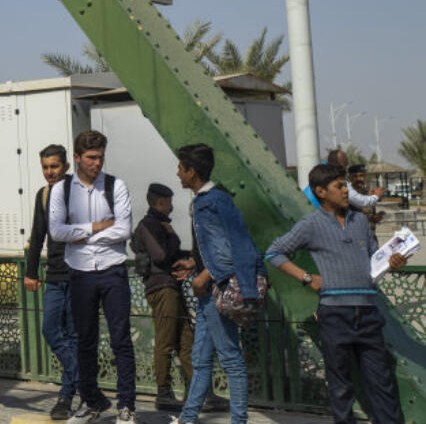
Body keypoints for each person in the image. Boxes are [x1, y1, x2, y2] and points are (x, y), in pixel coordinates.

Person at [265, 163, 405, 424]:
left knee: (381, 384)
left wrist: (395, 262)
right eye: (340, 186)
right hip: (335, 315)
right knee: (341, 388)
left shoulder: (361, 221)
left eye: (346, 186)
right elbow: (274, 253)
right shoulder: (311, 224)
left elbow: (375, 260)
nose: (346, 191)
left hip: (367, 313)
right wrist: (306, 278)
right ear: (320, 192)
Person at [172, 143, 266, 424]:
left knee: (230, 358)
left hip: (217, 289)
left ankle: (238, 420)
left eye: (180, 168)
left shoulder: (211, 201)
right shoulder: (209, 200)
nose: (177, 174)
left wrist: (204, 275)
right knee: (200, 359)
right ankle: (188, 418)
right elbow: (214, 245)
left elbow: (228, 248)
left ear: (192, 171)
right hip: (210, 288)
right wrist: (194, 264)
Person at [47, 130, 136, 424]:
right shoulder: (61, 190)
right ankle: (90, 401)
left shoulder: (115, 186)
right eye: (91, 158)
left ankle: (126, 406)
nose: (97, 163)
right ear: (77, 158)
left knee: (120, 339)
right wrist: (96, 227)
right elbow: (57, 232)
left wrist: (82, 236)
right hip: (81, 273)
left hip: (113, 270)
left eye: (100, 157)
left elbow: (123, 230)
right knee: (85, 340)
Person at [23, 144, 78, 420]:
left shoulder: (78, 191)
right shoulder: (42, 195)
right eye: (45, 167)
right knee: (50, 330)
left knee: (73, 335)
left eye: (54, 166)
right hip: (54, 275)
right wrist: (30, 272)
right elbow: (37, 235)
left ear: (66, 166)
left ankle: (66, 398)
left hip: (79, 275)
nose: (49, 172)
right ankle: (83, 379)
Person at [131, 183, 195, 411]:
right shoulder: (149, 225)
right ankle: (163, 393)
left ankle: (199, 391)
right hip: (162, 288)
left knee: (186, 340)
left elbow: (172, 254)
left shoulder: (160, 225)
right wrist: (172, 238)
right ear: (160, 202)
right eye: (169, 201)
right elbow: (161, 255)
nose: (172, 205)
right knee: (166, 341)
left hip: (171, 287)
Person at [348, 164, 385, 231]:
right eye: (356, 176)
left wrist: (374, 218)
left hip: (370, 234)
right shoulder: (347, 195)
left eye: (362, 176)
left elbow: (370, 214)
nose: (360, 179)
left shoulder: (368, 194)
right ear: (349, 177)